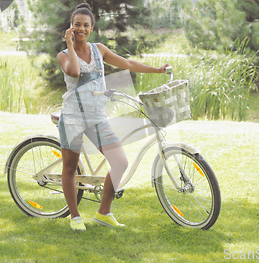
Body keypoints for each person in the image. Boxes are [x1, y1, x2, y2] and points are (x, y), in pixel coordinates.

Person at [57, 3, 169, 231]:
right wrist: (69, 45)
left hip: (97, 117)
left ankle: (103, 212)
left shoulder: (99, 49)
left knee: (120, 162)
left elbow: (127, 63)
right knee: (70, 167)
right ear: (71, 26)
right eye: (77, 24)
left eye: (85, 25)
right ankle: (75, 217)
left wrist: (156, 70)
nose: (81, 28)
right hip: (73, 117)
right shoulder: (63, 55)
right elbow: (75, 72)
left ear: (92, 28)